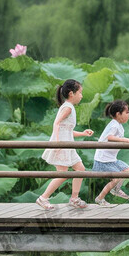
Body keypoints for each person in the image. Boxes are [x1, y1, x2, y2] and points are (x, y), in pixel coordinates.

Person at [36, 79, 95, 210]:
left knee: (80, 170)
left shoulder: (70, 107)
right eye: (80, 92)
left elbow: (67, 130)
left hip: (68, 145)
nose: (82, 95)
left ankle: (74, 198)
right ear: (71, 93)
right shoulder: (67, 108)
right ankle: (43, 198)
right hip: (62, 146)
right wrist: (57, 143)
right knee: (63, 174)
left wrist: (83, 134)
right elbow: (56, 123)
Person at [92, 100, 129, 207]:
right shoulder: (114, 125)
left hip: (111, 159)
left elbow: (119, 139)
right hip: (103, 159)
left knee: (128, 171)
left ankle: (116, 189)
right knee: (116, 178)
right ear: (118, 114)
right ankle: (100, 198)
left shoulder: (118, 125)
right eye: (127, 112)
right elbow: (110, 137)